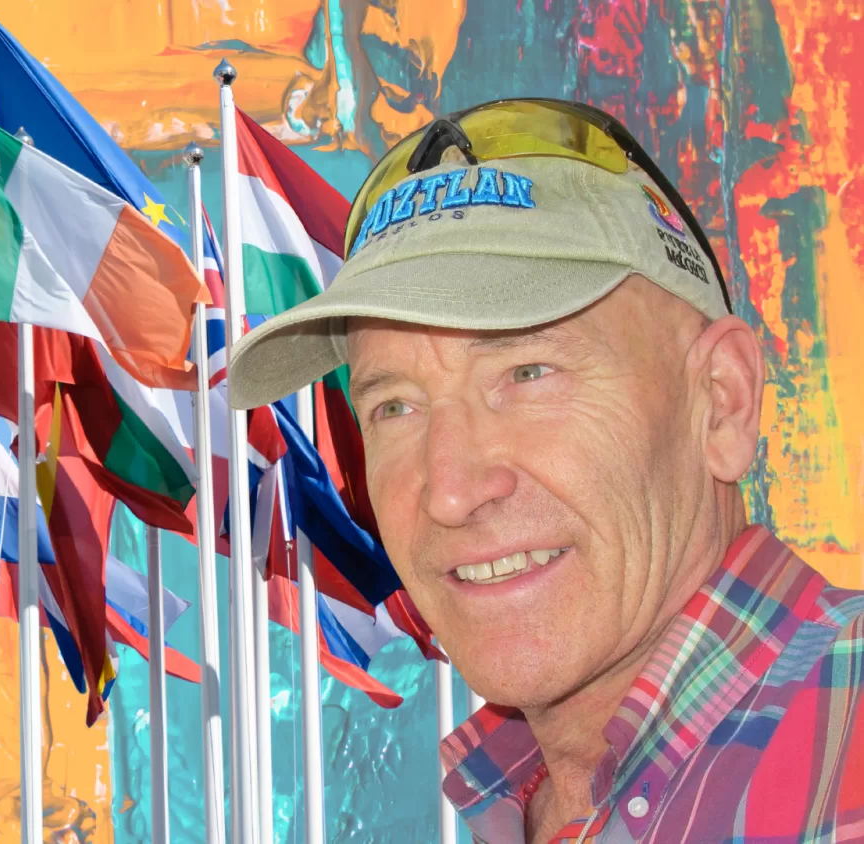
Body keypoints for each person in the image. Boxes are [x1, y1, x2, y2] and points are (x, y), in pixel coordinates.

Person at [226, 99, 864, 843]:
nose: (452, 491)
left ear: (721, 403)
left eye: (528, 372)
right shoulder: (522, 799)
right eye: (395, 406)